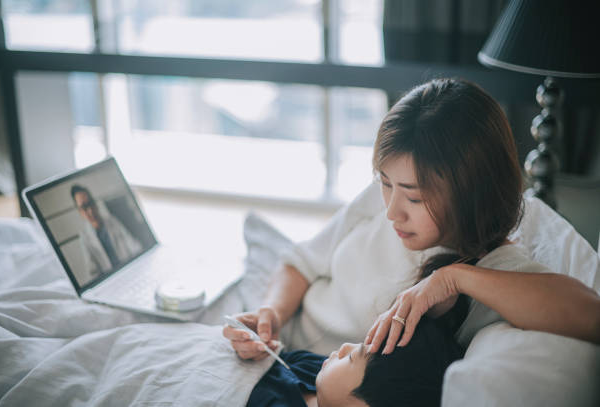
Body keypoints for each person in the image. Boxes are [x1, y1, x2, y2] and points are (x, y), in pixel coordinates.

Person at [223, 78, 600, 391]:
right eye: (385, 183)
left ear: (471, 192)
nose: (391, 211)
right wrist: (270, 311)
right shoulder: (386, 195)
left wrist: (453, 277)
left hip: (318, 380)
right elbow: (301, 262)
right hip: (273, 352)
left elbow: (590, 316)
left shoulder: (493, 270)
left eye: (414, 197)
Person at [247, 296, 468, 407]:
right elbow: (274, 358)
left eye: (353, 357)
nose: (344, 347)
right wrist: (253, 344)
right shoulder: (312, 368)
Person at [71, 184, 142, 277]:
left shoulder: (113, 221)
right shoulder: (84, 237)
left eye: (90, 203)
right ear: (80, 212)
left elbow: (133, 245)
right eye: (84, 207)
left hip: (130, 270)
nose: (90, 210)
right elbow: (93, 272)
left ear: (95, 203)